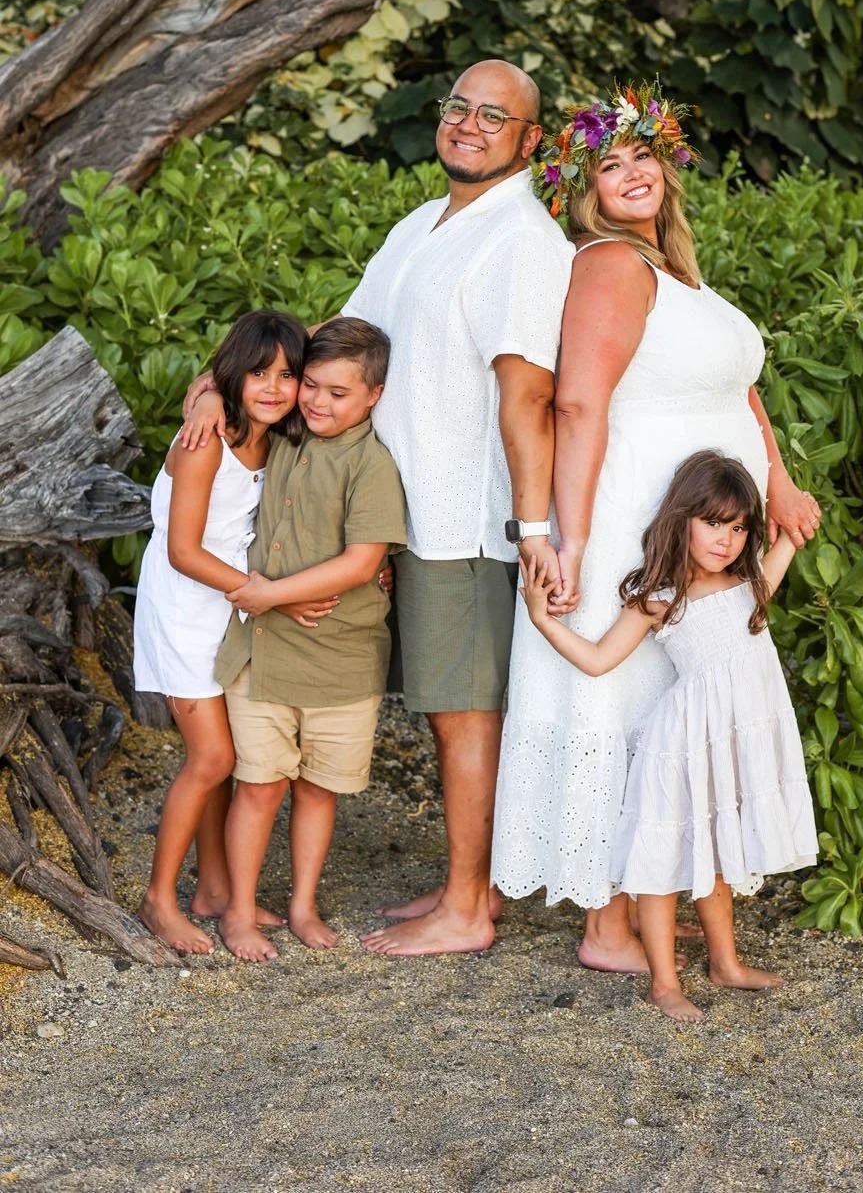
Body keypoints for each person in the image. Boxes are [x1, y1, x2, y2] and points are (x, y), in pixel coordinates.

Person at [492, 84, 821, 972]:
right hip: (635, 513)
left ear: (668, 169)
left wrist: (779, 479)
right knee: (625, 704)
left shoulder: (677, 272)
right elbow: (577, 403)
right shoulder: (610, 263)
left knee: (678, 714)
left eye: (643, 155)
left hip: (707, 517)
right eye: (610, 163)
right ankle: (606, 922)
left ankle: (656, 898)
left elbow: (738, 390)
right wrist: (570, 537)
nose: (633, 172)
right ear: (585, 190)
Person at [348, 59, 573, 957]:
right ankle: (465, 885)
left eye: (493, 115)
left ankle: (470, 908)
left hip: (467, 520)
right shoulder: (424, 224)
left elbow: (529, 395)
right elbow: (350, 338)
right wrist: (231, 374)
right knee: (450, 709)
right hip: (409, 512)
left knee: (467, 714)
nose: (468, 124)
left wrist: (530, 530)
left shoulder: (523, 240)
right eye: (458, 108)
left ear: (530, 140)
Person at [519, 450, 818, 1022]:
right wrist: (542, 619)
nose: (726, 540)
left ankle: (725, 964)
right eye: (713, 523)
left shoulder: (749, 583)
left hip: (725, 750)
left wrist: (793, 499)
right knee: (659, 870)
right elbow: (599, 659)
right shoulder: (662, 596)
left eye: (738, 528)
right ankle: (664, 983)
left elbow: (794, 532)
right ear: (683, 519)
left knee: (718, 857)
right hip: (679, 749)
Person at [210, 318, 408, 962]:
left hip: (341, 661)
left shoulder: (371, 465)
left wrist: (271, 592)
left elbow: (361, 562)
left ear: (374, 395)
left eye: (338, 393)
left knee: (317, 789)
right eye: (311, 384)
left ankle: (302, 904)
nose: (317, 401)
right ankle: (240, 910)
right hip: (264, 654)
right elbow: (240, 372)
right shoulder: (283, 431)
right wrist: (208, 396)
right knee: (258, 785)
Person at [133, 310, 311, 954]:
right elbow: (182, 550)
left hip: (228, 610)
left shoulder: (273, 438)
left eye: (287, 375)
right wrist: (271, 599)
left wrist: (210, 383)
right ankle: (158, 900)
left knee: (224, 757)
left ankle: (212, 888)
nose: (273, 387)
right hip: (185, 608)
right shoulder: (207, 439)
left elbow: (331, 324)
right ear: (234, 373)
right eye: (259, 373)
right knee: (212, 758)